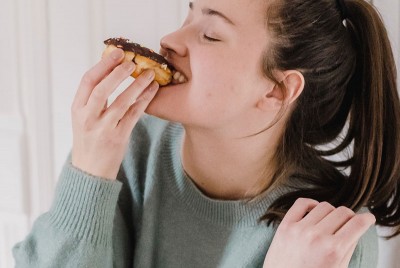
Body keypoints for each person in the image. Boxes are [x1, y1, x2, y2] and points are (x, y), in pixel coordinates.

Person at [12, 0, 400, 267]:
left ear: (276, 90)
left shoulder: (328, 235)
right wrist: (89, 171)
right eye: (189, 14)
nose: (170, 40)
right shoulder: (125, 150)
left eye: (210, 34)